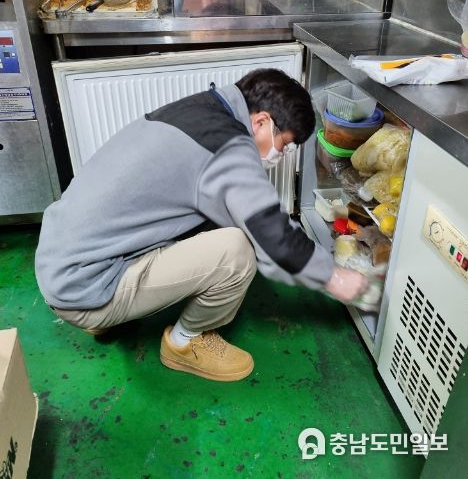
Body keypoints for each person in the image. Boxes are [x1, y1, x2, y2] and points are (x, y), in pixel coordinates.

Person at [35, 68, 368, 382]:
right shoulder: (227, 146)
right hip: (84, 289)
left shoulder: (197, 111)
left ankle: (108, 311)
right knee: (238, 251)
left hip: (63, 263)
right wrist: (333, 275)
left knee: (220, 216)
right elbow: (273, 236)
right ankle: (184, 343)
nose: (280, 156)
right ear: (262, 122)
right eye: (285, 146)